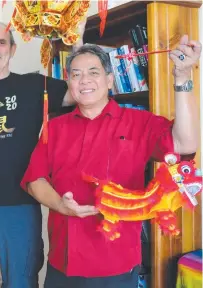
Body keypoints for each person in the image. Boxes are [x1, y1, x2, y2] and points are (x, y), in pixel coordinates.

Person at [21, 37, 201, 288]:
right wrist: (61, 206)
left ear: (109, 80)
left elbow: (185, 144)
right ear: (69, 83)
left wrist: (182, 78)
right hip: (63, 262)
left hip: (116, 261)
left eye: (93, 72)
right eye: (76, 74)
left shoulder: (139, 122)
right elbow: (34, 179)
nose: (84, 80)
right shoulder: (55, 128)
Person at [0, 20, 89, 287]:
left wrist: (76, 42)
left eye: (2, 42)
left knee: (21, 280)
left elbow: (79, 92)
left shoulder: (34, 85)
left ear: (12, 49)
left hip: (21, 204)